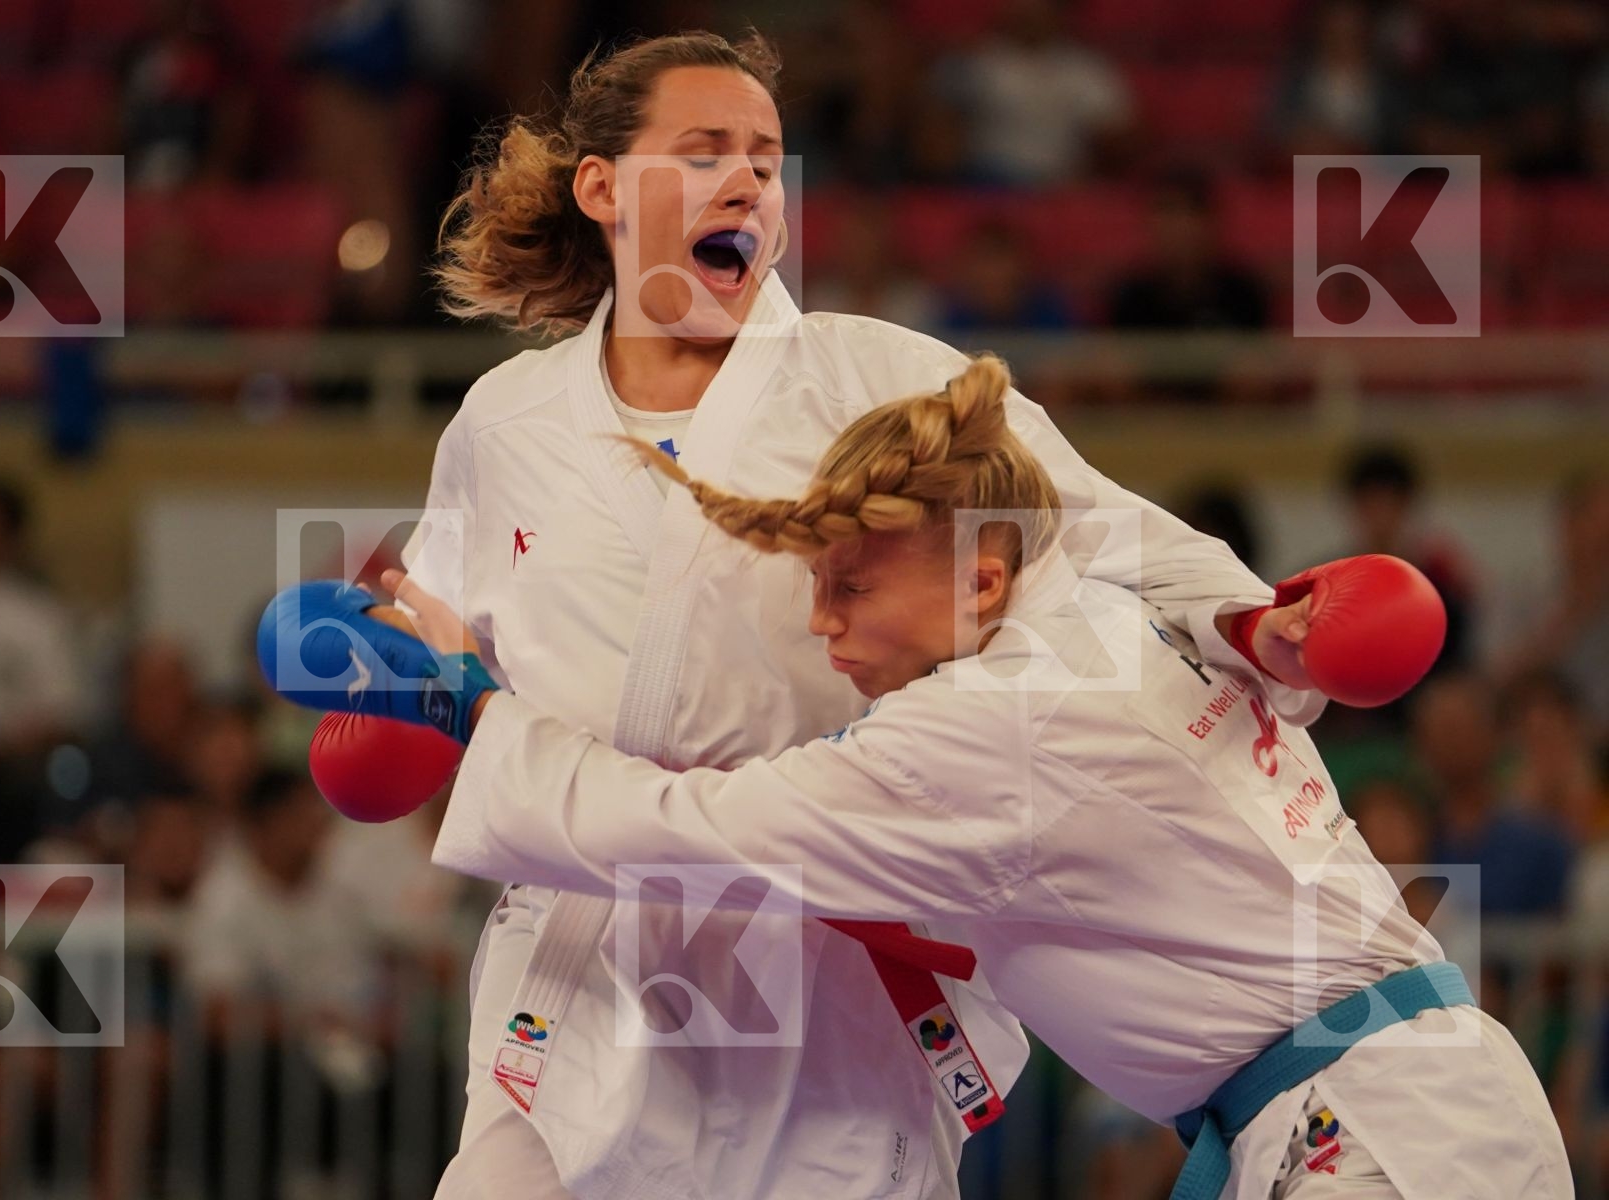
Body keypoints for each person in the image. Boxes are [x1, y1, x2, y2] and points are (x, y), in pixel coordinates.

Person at [299, 31, 1328, 1200]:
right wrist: (391, 706)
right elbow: (442, 646)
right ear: (601, 189)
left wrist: (1257, 626)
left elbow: (1110, 538)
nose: (747, 182)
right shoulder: (503, 422)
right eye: (703, 153)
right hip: (588, 951)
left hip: (828, 942)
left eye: (765, 159)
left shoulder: (883, 380)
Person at [364, 355, 1566, 1199]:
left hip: (1376, 1132)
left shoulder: (992, 725)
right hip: (1397, 1109)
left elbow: (693, 829)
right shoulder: (1110, 615)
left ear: (982, 577)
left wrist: (483, 712)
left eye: (851, 585)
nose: (820, 624)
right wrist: (1262, 624)